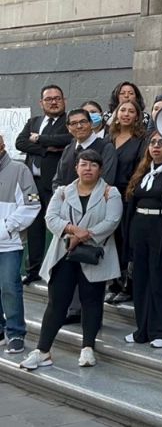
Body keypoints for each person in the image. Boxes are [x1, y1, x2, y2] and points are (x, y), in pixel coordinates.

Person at [20, 150, 122, 370]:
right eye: (83, 164)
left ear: (100, 169)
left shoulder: (110, 192)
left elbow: (112, 221)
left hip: (94, 254)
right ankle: (43, 351)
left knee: (91, 301)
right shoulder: (63, 192)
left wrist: (85, 235)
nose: (88, 169)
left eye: (93, 165)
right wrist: (73, 231)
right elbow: (51, 218)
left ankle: (88, 348)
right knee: (56, 303)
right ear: (76, 167)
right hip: (64, 253)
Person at [123, 131, 162, 348]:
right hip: (140, 228)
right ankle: (143, 329)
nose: (156, 146)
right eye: (153, 142)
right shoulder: (143, 172)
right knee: (141, 279)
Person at [16, 84, 72, 286]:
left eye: (57, 98)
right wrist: (46, 149)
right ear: (41, 103)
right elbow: (20, 142)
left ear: (64, 100)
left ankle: (58, 269)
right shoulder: (34, 121)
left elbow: (66, 139)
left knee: (58, 225)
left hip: (54, 186)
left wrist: (39, 139)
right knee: (34, 226)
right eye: (49, 99)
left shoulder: (69, 122)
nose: (53, 102)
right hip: (33, 186)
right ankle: (34, 269)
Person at [0, 135, 40, 354]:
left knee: (10, 287)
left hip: (9, 243)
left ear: (2, 144)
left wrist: (7, 227)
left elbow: (32, 203)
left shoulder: (19, 170)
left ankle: (15, 332)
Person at [105, 99, 147, 303]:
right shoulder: (109, 138)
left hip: (128, 195)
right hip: (106, 195)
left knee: (126, 240)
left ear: (137, 116)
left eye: (131, 111)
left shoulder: (141, 140)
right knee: (110, 239)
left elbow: (141, 168)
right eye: (123, 110)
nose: (126, 114)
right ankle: (112, 282)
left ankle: (127, 285)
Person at [52, 108, 117, 190]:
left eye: (83, 122)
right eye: (74, 123)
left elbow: (106, 181)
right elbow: (57, 181)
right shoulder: (68, 149)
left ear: (91, 123)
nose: (79, 126)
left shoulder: (106, 147)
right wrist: (61, 195)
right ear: (68, 128)